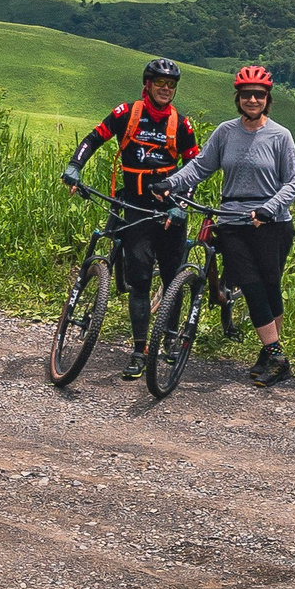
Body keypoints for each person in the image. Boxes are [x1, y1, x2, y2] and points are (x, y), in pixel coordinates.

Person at [60, 57, 200, 379]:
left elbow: (194, 170)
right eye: (159, 83)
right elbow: (93, 138)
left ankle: (171, 340)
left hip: (170, 210)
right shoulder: (127, 113)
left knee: (172, 278)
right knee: (140, 282)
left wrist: (183, 205)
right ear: (147, 85)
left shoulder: (181, 124)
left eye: (171, 85)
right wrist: (74, 166)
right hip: (135, 208)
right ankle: (139, 350)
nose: (165, 89)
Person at [162, 64, 295, 385]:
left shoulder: (281, 136)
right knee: (251, 284)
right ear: (238, 98)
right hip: (233, 221)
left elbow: (291, 184)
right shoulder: (225, 132)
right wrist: (170, 184)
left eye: (259, 95)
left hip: (272, 224)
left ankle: (270, 353)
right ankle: (279, 357)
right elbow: (199, 167)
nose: (253, 100)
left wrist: (267, 210)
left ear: (268, 99)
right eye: (246, 95)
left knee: (269, 287)